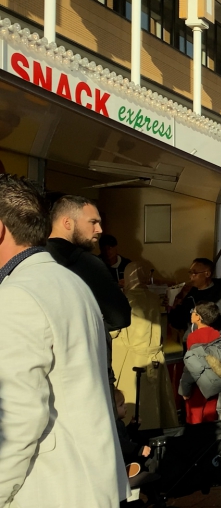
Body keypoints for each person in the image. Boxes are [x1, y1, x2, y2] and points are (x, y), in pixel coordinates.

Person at [0, 175, 128, 507]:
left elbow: (18, 419)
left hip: (48, 486)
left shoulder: (15, 296)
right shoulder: (71, 281)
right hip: (89, 482)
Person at [47, 195, 132, 334]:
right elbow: (120, 317)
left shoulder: (32, 256)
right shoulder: (87, 263)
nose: (99, 229)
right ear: (67, 223)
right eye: (93, 222)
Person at [113, 262, 178, 429]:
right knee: (156, 402)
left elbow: (113, 331)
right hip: (155, 358)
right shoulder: (156, 298)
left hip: (131, 361)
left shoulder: (124, 300)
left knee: (133, 403)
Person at [169, 258, 221, 338]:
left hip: (213, 345)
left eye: (194, 273)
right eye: (190, 273)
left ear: (207, 274)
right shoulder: (191, 294)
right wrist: (174, 307)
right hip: (192, 344)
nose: (191, 277)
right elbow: (179, 323)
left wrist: (215, 338)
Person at [179, 303, 221, 424]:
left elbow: (191, 365)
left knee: (195, 418)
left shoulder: (193, 337)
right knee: (210, 415)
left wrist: (185, 388)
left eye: (193, 311)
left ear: (198, 317)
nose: (191, 314)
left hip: (196, 386)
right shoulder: (217, 334)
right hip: (214, 383)